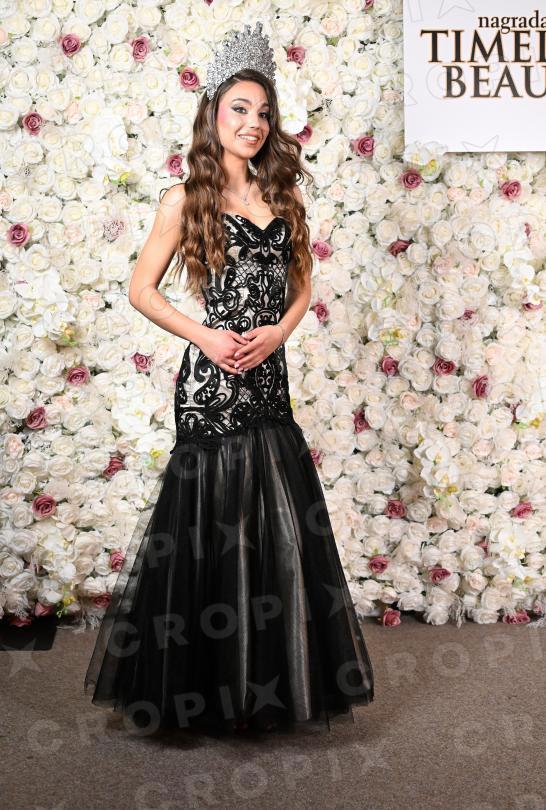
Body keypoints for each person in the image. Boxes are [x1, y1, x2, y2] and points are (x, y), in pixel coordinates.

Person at [84, 22, 374, 737]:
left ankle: (264, 688)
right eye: (239, 109)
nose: (253, 123)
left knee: (274, 527)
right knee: (209, 529)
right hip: (212, 387)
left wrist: (279, 332)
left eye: (263, 112)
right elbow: (141, 291)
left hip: (268, 381)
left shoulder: (282, 197)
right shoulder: (184, 201)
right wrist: (205, 336)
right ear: (213, 114)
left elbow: (302, 289)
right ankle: (200, 693)